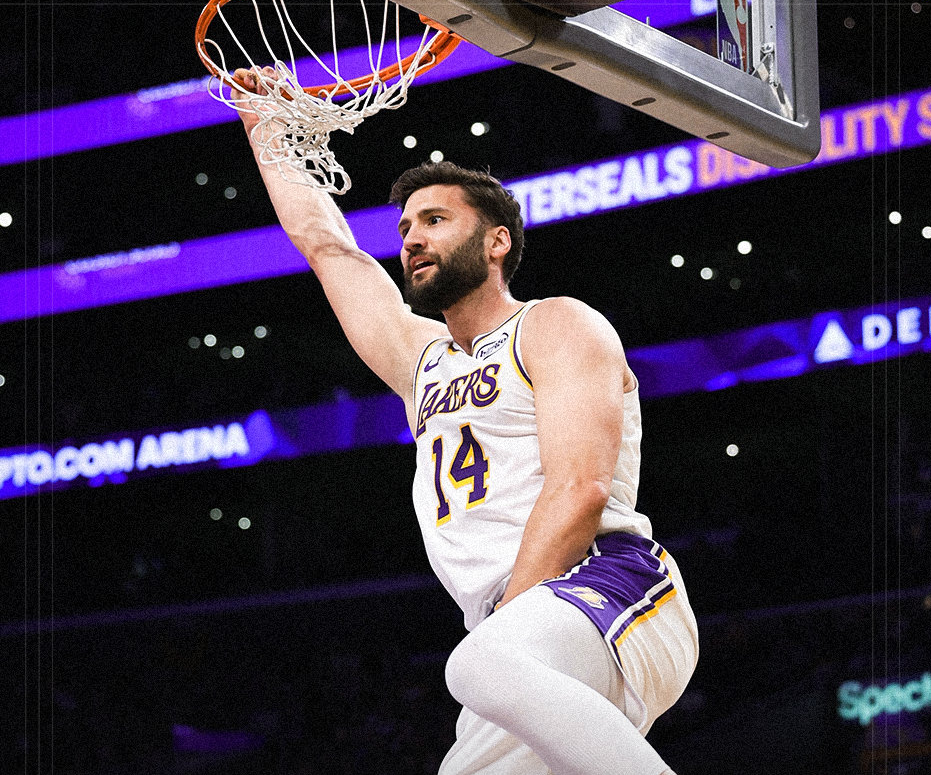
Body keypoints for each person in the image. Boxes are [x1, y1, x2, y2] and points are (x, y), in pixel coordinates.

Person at [233, 69, 699, 775]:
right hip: (516, 632)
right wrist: (262, 124)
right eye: (405, 228)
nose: (411, 239)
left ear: (496, 241)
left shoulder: (555, 323)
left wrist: (505, 624)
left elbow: (580, 487)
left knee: (476, 665)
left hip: (607, 585)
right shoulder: (420, 359)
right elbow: (328, 249)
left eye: (435, 220)